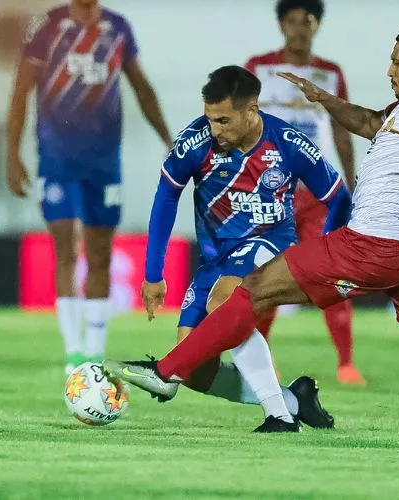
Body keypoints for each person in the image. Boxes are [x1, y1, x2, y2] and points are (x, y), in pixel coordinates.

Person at [105, 26, 399, 439]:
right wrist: (324, 99)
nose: (389, 69)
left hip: (376, 242)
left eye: (396, 60)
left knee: (249, 292)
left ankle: (167, 373)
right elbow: (368, 122)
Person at [139, 65, 350, 432]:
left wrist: (329, 250)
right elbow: (166, 197)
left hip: (271, 244)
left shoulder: (287, 142)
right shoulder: (194, 141)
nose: (214, 129)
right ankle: (293, 399)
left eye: (223, 120)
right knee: (195, 370)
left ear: (251, 110)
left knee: (223, 303)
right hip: (215, 259)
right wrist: (153, 273)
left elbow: (338, 197)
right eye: (210, 119)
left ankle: (279, 418)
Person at [6, 0, 172, 375]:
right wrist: (12, 155)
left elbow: (142, 87)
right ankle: (73, 352)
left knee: (101, 252)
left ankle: (94, 354)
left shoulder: (118, 28)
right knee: (65, 247)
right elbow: (21, 89)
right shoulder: (46, 25)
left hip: (104, 159)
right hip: (57, 156)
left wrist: (168, 139)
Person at [244, 0, 364, 384]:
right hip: (269, 193)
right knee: (265, 277)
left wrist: (353, 183)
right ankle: (264, 363)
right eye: (292, 21)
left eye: (307, 22)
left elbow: (343, 130)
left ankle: (345, 364)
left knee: (333, 276)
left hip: (318, 195)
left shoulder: (329, 74)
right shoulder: (259, 68)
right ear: (281, 25)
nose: (299, 29)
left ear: (317, 26)